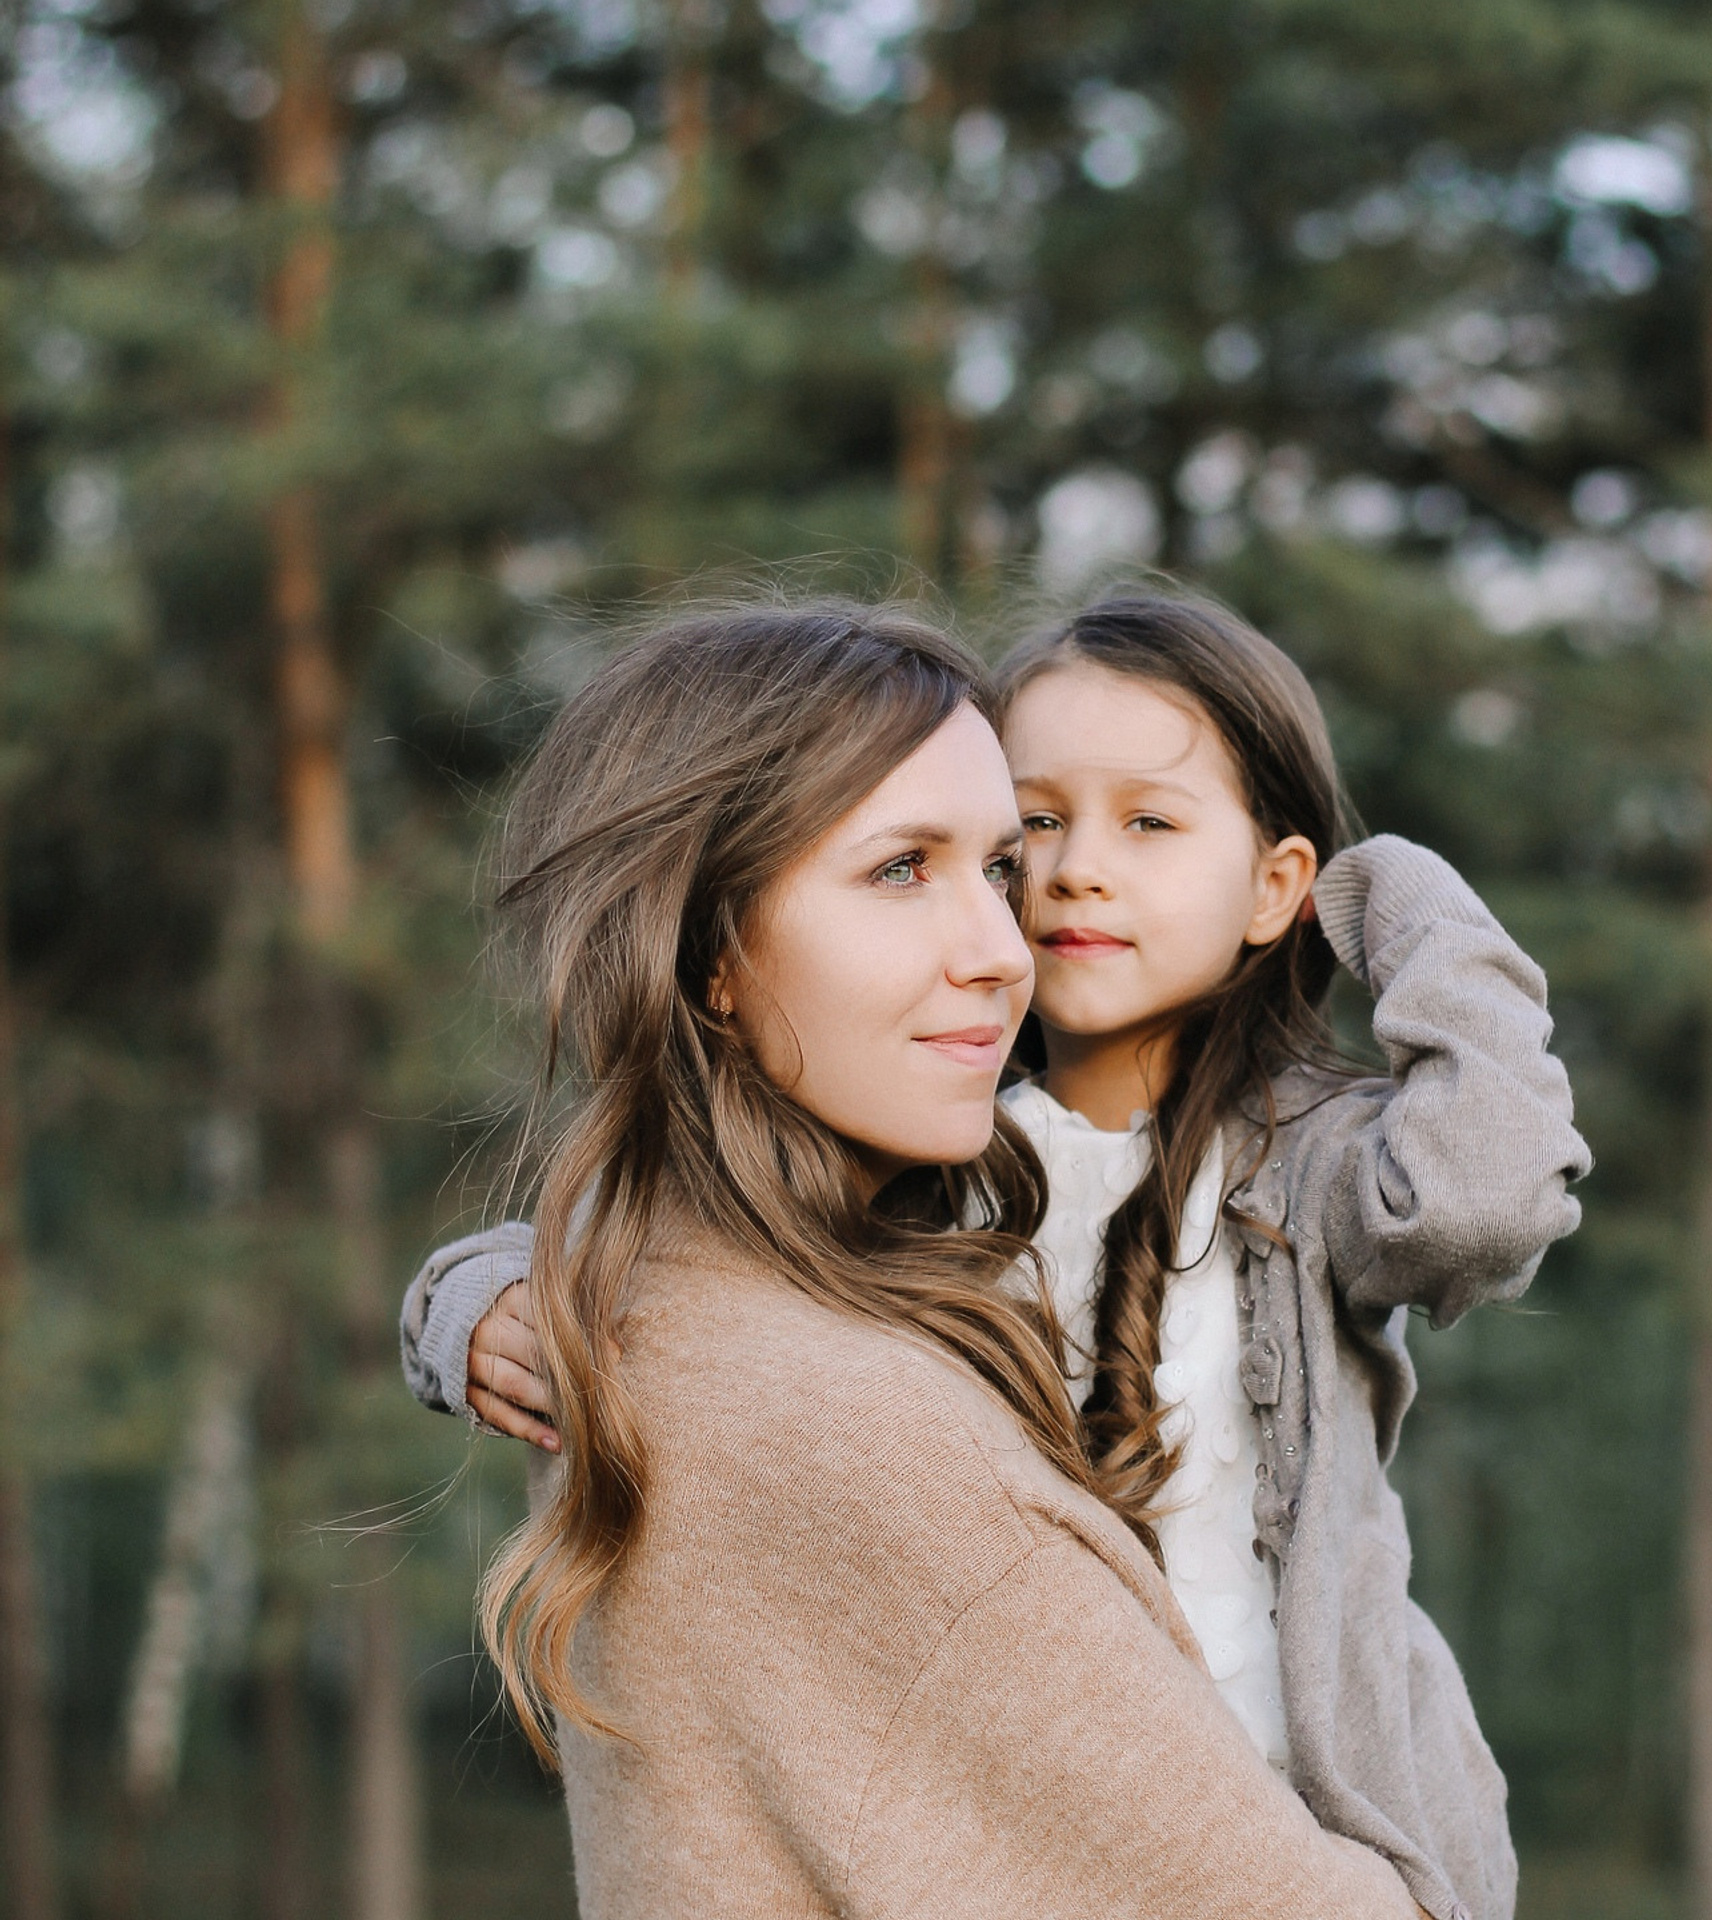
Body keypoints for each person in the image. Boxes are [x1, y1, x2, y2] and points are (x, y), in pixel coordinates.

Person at [407, 590, 1591, 1920]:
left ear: (1277, 886)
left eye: (1143, 822)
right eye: (1025, 836)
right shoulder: (941, 1179)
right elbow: (593, 1239)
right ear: (711, 952)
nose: (1051, 893)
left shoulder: (1297, 1161)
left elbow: (1485, 1199)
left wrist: (1405, 902)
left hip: (1320, 1799)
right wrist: (476, 1303)